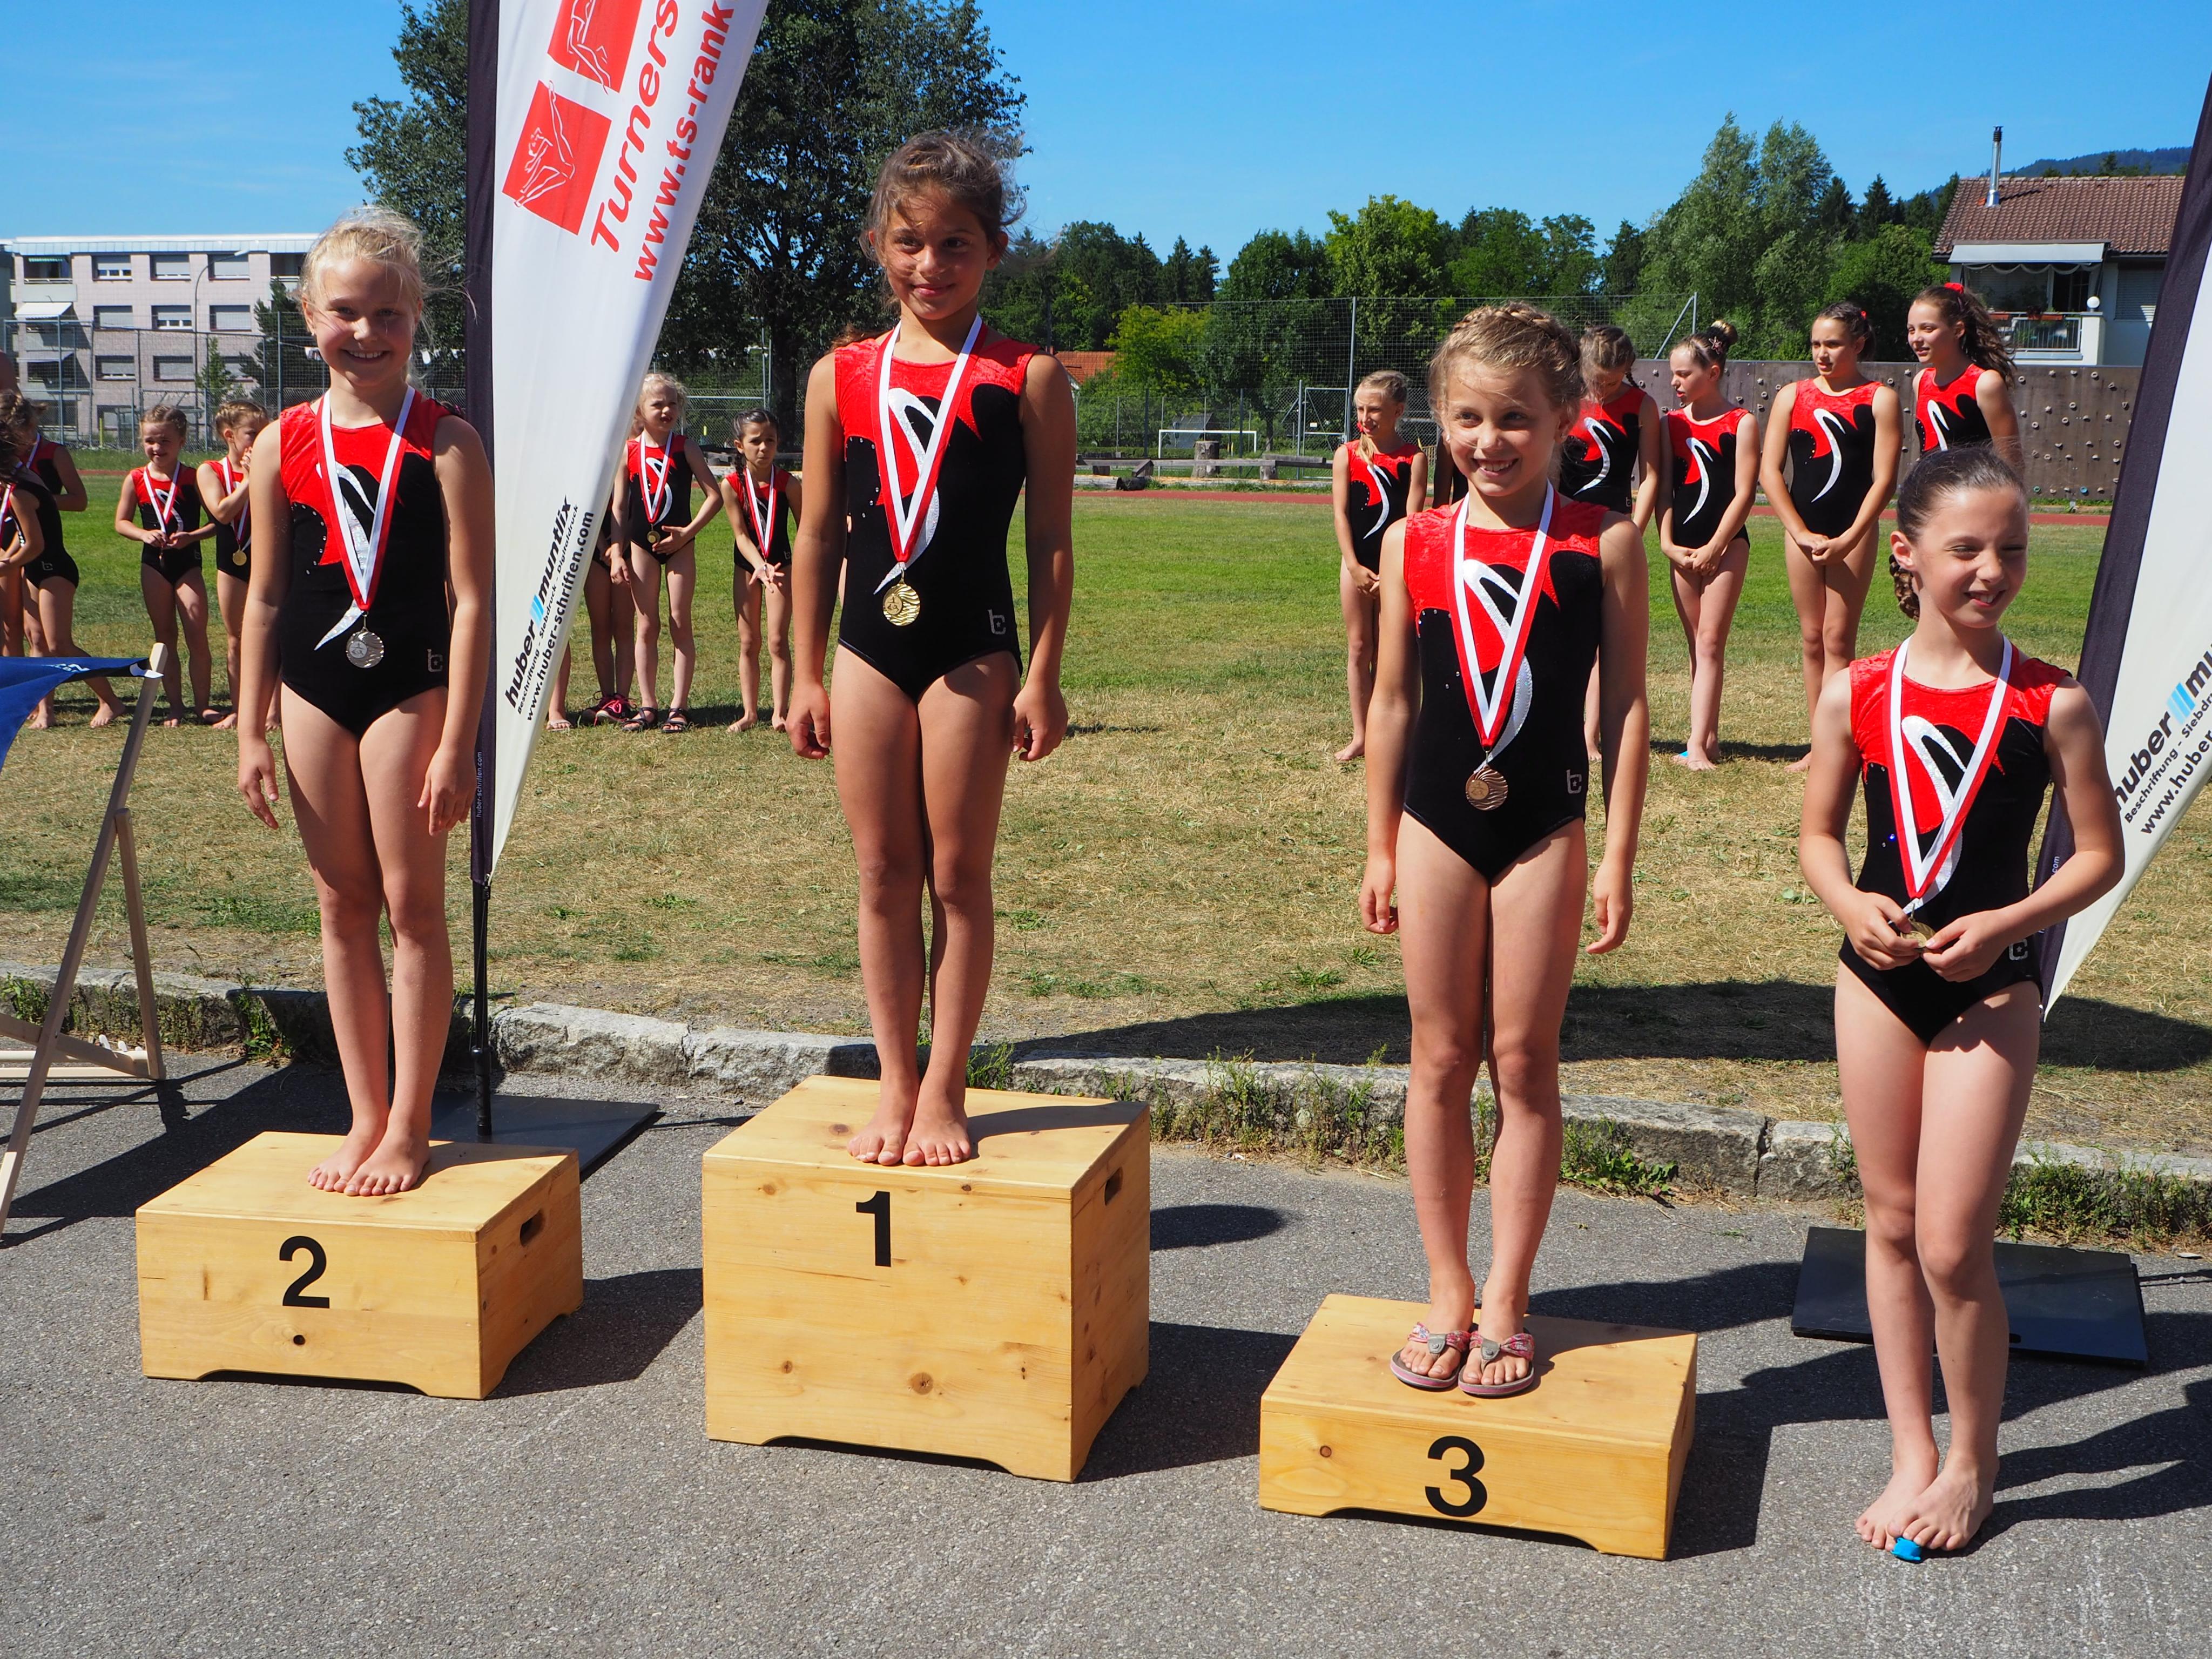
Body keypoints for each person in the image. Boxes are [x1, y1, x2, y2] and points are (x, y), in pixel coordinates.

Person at [1798, 446, 2120, 1555]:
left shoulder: (2052, 700)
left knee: (1950, 1243)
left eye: (2011, 550)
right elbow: (1817, 836)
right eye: (1966, 548)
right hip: (1875, 982)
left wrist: (2008, 921)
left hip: (1991, 988)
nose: (1991, 570)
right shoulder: (1857, 690)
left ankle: (1973, 1463)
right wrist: (1848, 903)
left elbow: (2097, 855)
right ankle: (1911, 1452)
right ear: (1906, 553)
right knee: (1888, 1225)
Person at [1361, 304, 1650, 1396]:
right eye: (1469, 418)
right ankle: (1447, 1288)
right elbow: (1394, 702)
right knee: (1438, 1057)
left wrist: (1617, 854)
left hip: (1545, 829)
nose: (1490, 441)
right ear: (1441, 419)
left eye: (1516, 419)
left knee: (1524, 1062)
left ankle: (1508, 1300)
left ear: (1567, 417)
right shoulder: (1413, 541)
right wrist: (1379, 844)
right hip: (1435, 824)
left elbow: (1624, 707)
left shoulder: (1602, 542)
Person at [788, 131, 1074, 1168]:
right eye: (909, 241)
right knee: (880, 872)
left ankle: (946, 1086)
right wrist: (802, 672)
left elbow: (1049, 541)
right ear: (878, 243)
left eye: (956, 243)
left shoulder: (1027, 376)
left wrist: (1043, 674)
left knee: (956, 876)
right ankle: (895, 1084)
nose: (931, 265)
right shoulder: (841, 375)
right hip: (868, 649)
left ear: (994, 249)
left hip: (972, 652)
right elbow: (818, 535)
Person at [234, 207, 493, 1197]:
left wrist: (457, 740)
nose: (366, 332)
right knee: (341, 905)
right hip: (311, 690)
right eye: (345, 312)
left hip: (408, 690)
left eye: (388, 314)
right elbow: (263, 599)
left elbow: (474, 601)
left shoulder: (447, 440)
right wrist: (250, 730)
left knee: (412, 906)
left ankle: (412, 1126)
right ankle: (365, 1115)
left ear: (417, 316)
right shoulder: (281, 443)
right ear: (309, 317)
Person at [1761, 305, 1903, 771]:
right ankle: (1819, 744)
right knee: (1811, 638)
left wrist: (1850, 538)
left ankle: (1840, 746)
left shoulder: (1880, 399)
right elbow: (1770, 472)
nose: (1822, 354)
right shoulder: (1792, 396)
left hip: (1852, 533)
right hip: (1801, 532)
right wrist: (1798, 531)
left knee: (1838, 638)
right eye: (1816, 344)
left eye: (1834, 344)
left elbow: (1884, 480)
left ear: (1858, 344)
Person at [1658, 320, 1757, 771]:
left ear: (1712, 373)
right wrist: (1667, 543)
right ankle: (1708, 738)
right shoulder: (1671, 424)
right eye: (1673, 374)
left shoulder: (1742, 423)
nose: (1674, 382)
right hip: (1682, 547)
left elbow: (1744, 493)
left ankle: (1696, 747)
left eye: (1684, 374)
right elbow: (1664, 490)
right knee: (1696, 644)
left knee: (1711, 641)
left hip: (1727, 545)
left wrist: (1717, 546)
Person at [1561, 325, 1662, 752]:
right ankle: (1561, 725)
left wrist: (1634, 530)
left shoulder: (1642, 406)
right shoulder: (1566, 399)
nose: (1603, 389)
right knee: (1563, 629)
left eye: (1613, 381)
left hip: (1613, 528)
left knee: (1607, 637)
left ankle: (1590, 734)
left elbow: (1651, 475)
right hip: (1564, 525)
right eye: (1597, 380)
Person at [610, 374, 721, 733]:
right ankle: (648, 706)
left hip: (680, 547)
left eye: (672, 403)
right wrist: (617, 552)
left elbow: (715, 497)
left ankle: (679, 706)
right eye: (657, 404)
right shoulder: (629, 451)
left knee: (679, 621)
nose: (666, 410)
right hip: (641, 546)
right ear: (639, 410)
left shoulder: (686, 447)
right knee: (646, 625)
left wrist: (688, 533)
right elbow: (619, 507)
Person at [0, 392, 116, 727]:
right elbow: (25, 538)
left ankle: (110, 701)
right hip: (33, 567)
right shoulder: (21, 480)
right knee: (37, 640)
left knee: (59, 643)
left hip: (52, 568)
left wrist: (9, 564)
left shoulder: (22, 489)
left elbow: (35, 543)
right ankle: (44, 710)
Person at [1330, 370, 1428, 763]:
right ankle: (1361, 735)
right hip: (1355, 564)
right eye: (1360, 409)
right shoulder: (1347, 454)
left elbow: (1412, 521)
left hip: (1395, 570)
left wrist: (1393, 573)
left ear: (1398, 411)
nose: (1365, 418)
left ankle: (1391, 734)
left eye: (1374, 410)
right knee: (1359, 647)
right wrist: (1353, 566)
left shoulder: (1413, 459)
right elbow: (1341, 514)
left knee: (1390, 652)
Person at [116, 404, 218, 724]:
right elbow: (121, 522)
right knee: (165, 638)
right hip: (154, 566)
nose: (157, 448)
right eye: (150, 441)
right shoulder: (136, 478)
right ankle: (175, 706)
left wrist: (192, 537)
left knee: (197, 635)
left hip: (188, 564)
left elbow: (217, 522)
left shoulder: (193, 477)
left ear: (182, 441)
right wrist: (143, 534)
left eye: (165, 441)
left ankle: (203, 705)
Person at [720, 408, 802, 732]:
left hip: (781, 566)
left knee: (778, 641)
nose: (764, 447)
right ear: (740, 445)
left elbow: (806, 529)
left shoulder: (788, 483)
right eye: (756, 441)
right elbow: (740, 535)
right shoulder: (731, 485)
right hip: (748, 567)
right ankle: (750, 713)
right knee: (748, 642)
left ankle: (780, 713)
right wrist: (759, 565)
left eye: (770, 440)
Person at [198, 398, 270, 731]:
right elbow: (222, 513)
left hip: (269, 558)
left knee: (275, 635)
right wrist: (249, 479)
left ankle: (274, 710)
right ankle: (241, 709)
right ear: (230, 435)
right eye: (252, 433)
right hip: (232, 561)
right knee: (236, 638)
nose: (260, 439)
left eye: (264, 432)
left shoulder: (270, 465)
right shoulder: (210, 470)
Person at [1908, 282, 2023, 473]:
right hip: (1933, 489)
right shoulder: (1920, 381)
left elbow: (2011, 462)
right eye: (1911, 330)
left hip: (1974, 489)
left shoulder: (1985, 383)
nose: (1916, 339)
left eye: (1928, 329)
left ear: (1958, 330)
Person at [549, 509, 635, 729]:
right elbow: (588, 507)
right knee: (600, 628)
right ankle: (607, 698)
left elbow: (631, 509)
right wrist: (602, 547)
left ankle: (622, 700)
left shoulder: (623, 483)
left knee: (624, 628)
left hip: (628, 549)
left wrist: (620, 548)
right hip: (595, 549)